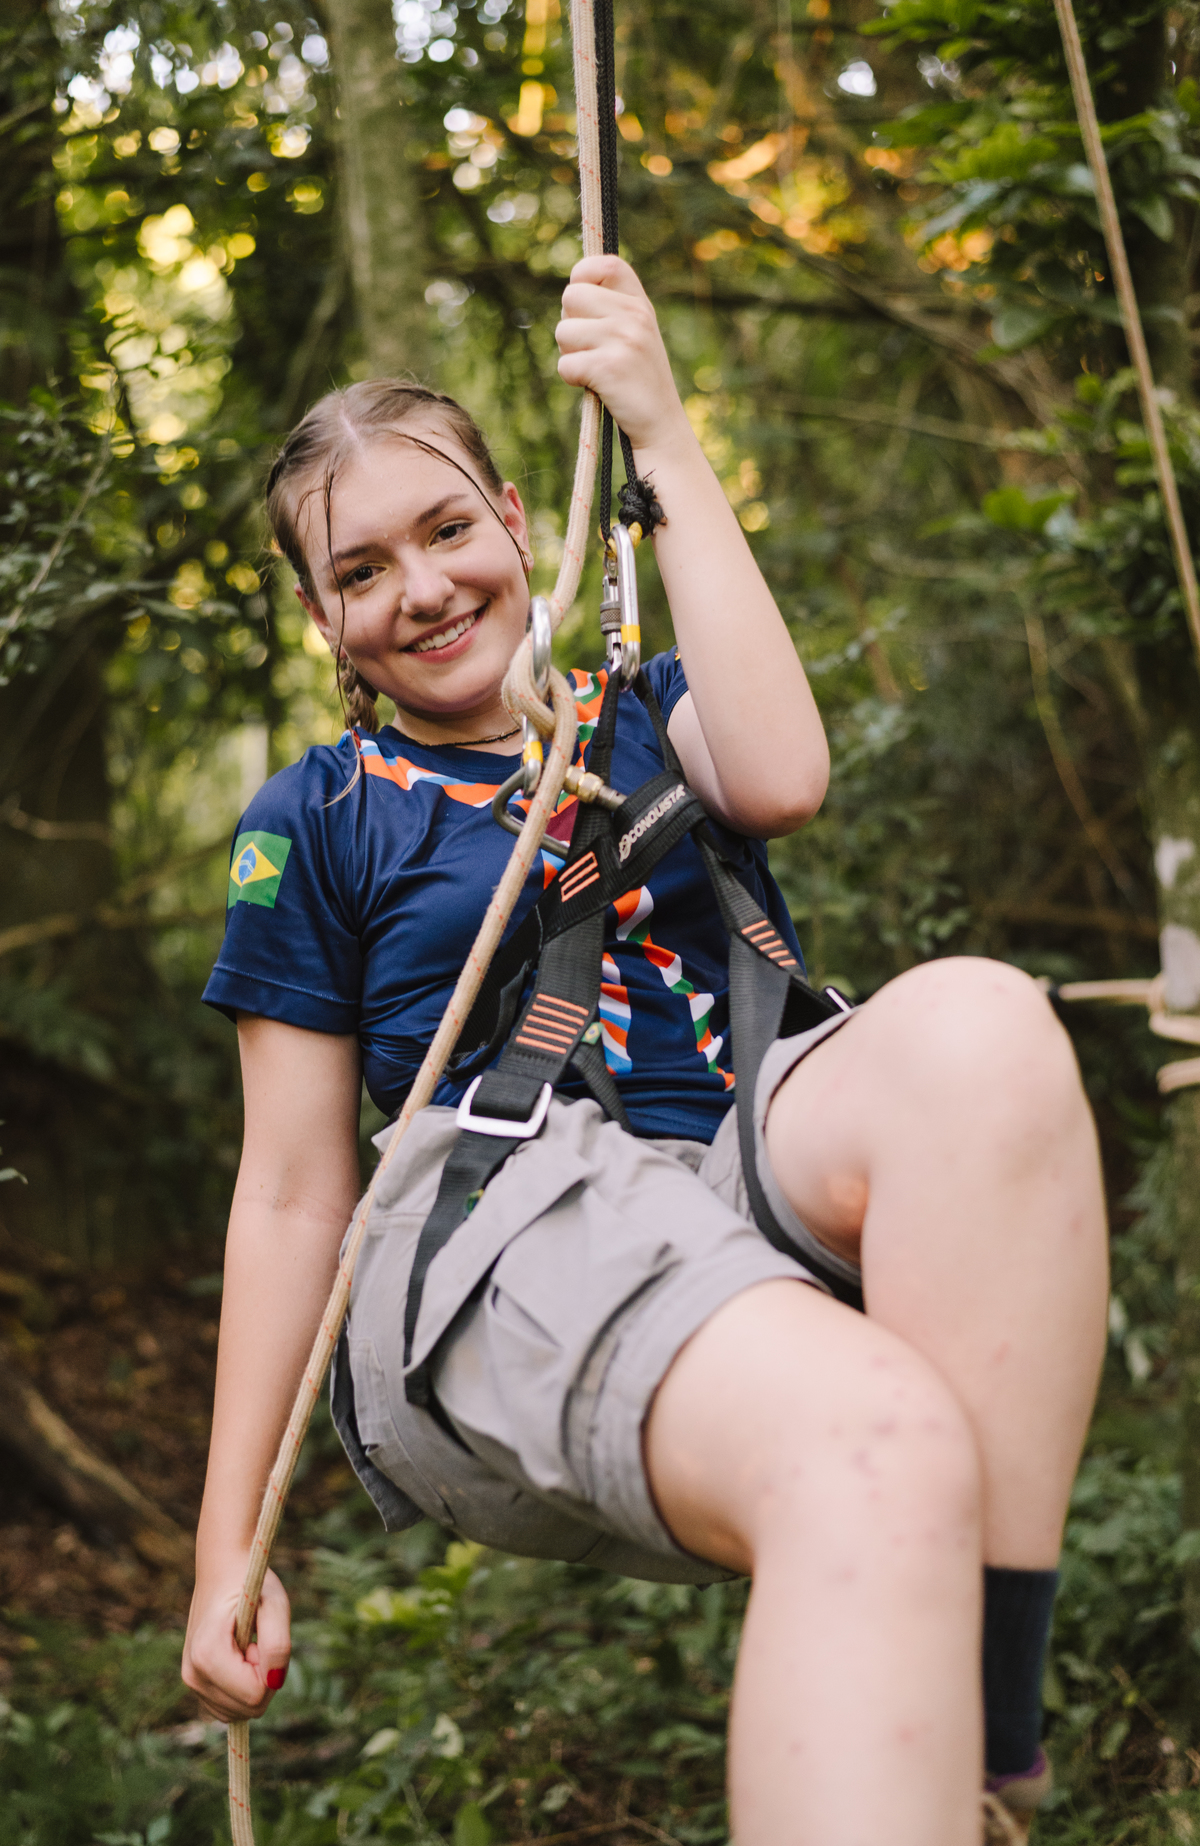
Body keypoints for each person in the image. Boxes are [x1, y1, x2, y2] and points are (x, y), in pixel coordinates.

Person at [182, 254, 1108, 1846]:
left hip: (740, 1164)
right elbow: (286, 1190)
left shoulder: (653, 710)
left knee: (986, 1028)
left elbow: (787, 772)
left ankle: (987, 1724)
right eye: (361, 570)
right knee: (867, 1439)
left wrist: (664, 434)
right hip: (507, 1221)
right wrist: (224, 1549)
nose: (420, 587)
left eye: (449, 528)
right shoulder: (317, 820)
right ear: (326, 616)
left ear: (524, 521)